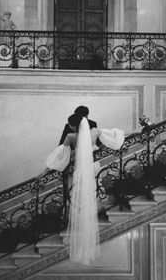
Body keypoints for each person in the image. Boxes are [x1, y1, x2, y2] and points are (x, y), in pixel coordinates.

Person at [41, 113, 125, 265]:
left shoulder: (71, 137)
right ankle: (88, 224)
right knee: (90, 193)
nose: (70, 127)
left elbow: (60, 157)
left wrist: (43, 172)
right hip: (92, 167)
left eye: (70, 125)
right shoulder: (95, 132)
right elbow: (114, 137)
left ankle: (79, 227)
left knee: (77, 196)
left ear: (74, 125)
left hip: (79, 170)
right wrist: (138, 131)